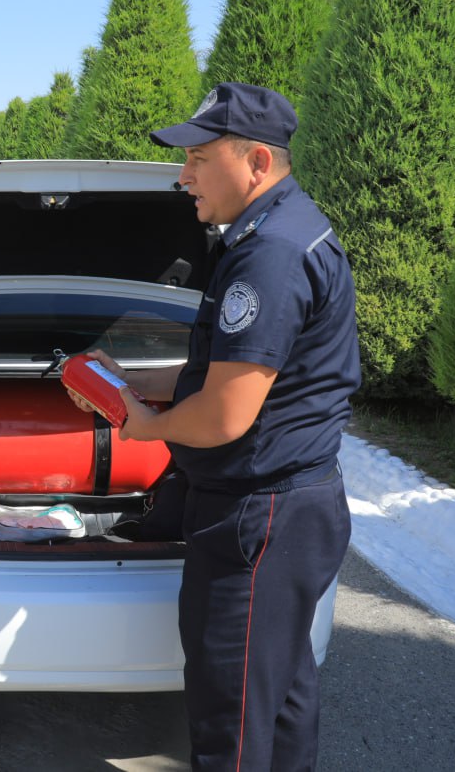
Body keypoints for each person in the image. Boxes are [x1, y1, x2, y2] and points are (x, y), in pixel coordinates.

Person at [72, 82, 360, 771]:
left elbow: (226, 413)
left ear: (256, 162)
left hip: (259, 519)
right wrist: (134, 380)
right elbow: (226, 371)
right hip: (289, 510)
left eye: (199, 159)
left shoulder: (270, 255)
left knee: (231, 720)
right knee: (279, 697)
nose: (183, 176)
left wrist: (142, 426)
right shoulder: (284, 228)